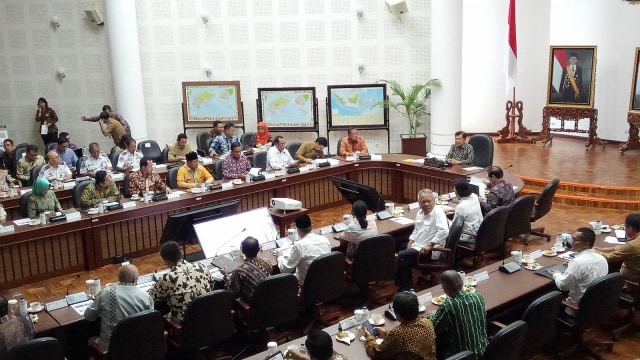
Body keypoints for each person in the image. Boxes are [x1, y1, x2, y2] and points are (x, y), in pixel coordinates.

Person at [84, 264, 153, 350]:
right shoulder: (146, 296)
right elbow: (150, 322)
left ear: (118, 278)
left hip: (111, 349)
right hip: (137, 346)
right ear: (135, 279)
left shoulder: (107, 292)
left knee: (90, 340)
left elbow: (88, 316)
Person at [396, 189, 449, 291]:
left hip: (430, 250)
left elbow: (444, 231)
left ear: (434, 201)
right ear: (419, 203)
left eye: (429, 201)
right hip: (418, 245)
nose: (426, 204)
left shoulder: (438, 213)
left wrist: (430, 244)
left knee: (402, 256)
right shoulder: (420, 213)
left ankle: (405, 288)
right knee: (399, 246)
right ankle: (405, 280)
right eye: (423, 202)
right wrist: (411, 241)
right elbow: (416, 230)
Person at [427, 270, 488, 359]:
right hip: (484, 352)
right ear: (462, 283)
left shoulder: (449, 306)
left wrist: (431, 316)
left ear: (444, 288)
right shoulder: (478, 297)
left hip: (462, 356)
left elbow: (435, 327)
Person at [148, 241, 214, 322]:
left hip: (186, 324)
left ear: (166, 261)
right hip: (209, 316)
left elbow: (149, 297)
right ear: (181, 253)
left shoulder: (167, 278)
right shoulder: (201, 267)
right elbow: (212, 285)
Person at [364, 291, 436, 360]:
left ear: (398, 315)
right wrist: (386, 333)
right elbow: (409, 338)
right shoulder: (427, 322)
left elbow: (377, 353)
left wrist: (369, 337)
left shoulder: (398, 333)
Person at [549, 227, 608, 306]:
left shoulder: (578, 262)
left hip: (576, 307)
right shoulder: (602, 259)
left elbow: (563, 286)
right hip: (596, 304)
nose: (571, 242)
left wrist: (556, 274)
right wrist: (571, 265)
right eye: (572, 239)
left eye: (575, 240)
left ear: (586, 244)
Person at [277, 214, 331, 283]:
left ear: (298, 230)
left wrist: (280, 257)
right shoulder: (324, 239)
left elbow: (285, 269)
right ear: (311, 226)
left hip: (306, 285)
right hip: (325, 282)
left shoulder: (299, 246)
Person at [220, 237, 272, 303]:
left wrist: (226, 276)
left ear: (242, 251)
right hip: (270, 300)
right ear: (259, 249)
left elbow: (232, 293)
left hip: (254, 306)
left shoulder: (240, 271)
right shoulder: (267, 262)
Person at [595, 213, 640, 282]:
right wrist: (599, 249)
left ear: (630, 229)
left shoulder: (633, 245)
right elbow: (620, 248)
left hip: (629, 282)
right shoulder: (636, 240)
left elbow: (610, 257)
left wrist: (591, 252)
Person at [453, 178, 483, 245]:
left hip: (467, 237)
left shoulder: (461, 207)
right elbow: (468, 209)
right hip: (479, 232)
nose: (453, 190)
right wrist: (452, 209)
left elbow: (454, 227)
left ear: (458, 191)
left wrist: (445, 218)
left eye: (454, 189)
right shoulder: (474, 196)